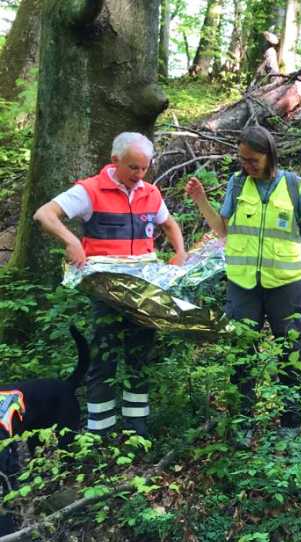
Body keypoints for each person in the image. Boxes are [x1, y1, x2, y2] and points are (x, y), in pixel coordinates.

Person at [33, 132, 187, 438]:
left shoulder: (150, 193)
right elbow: (44, 214)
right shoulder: (90, 190)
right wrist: (72, 241)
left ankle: (136, 432)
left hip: (144, 291)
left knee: (139, 358)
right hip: (106, 293)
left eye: (144, 168)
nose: (139, 175)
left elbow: (169, 224)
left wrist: (180, 251)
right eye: (133, 168)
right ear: (115, 161)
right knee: (103, 360)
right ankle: (99, 434)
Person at [185, 125, 301, 428]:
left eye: (253, 160)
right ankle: (242, 421)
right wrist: (200, 200)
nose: (247, 166)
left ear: (269, 156)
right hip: (242, 284)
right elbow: (222, 231)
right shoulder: (237, 185)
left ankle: (291, 423)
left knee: (290, 352)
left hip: (286, 285)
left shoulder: (293, 185)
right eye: (242, 159)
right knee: (241, 353)